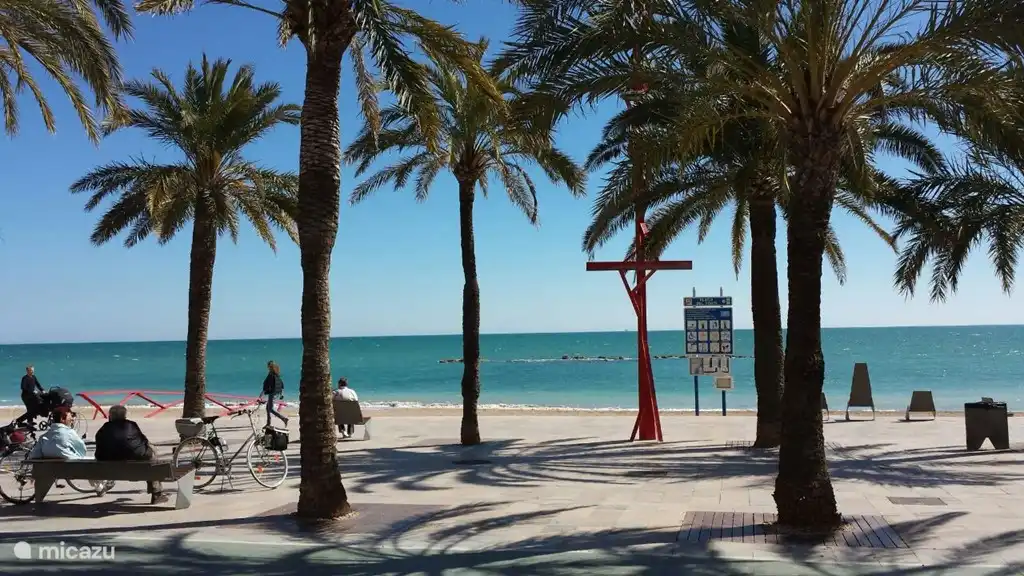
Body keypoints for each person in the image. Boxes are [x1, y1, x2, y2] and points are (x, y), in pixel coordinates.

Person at [95, 405, 168, 504]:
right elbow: (143, 440)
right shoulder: (131, 425)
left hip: (109, 466)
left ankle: (107, 484)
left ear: (110, 416)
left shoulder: (104, 428)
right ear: (124, 416)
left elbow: (99, 448)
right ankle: (157, 493)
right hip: (136, 463)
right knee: (152, 453)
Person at [27, 407, 108, 494]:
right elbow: (82, 450)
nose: (72, 419)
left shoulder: (43, 437)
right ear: (62, 419)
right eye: (71, 417)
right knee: (91, 463)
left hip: (49, 471)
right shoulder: (69, 433)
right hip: (73, 470)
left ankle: (39, 497)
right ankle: (99, 487)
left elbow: (34, 455)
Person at [259, 361, 288, 427]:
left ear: (269, 366)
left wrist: (260, 396)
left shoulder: (271, 375)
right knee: (267, 407)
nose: (267, 367)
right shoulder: (276, 374)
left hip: (272, 393)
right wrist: (282, 394)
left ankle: (284, 418)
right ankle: (268, 423)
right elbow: (281, 384)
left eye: (268, 366)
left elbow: (266, 385)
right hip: (276, 393)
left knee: (270, 409)